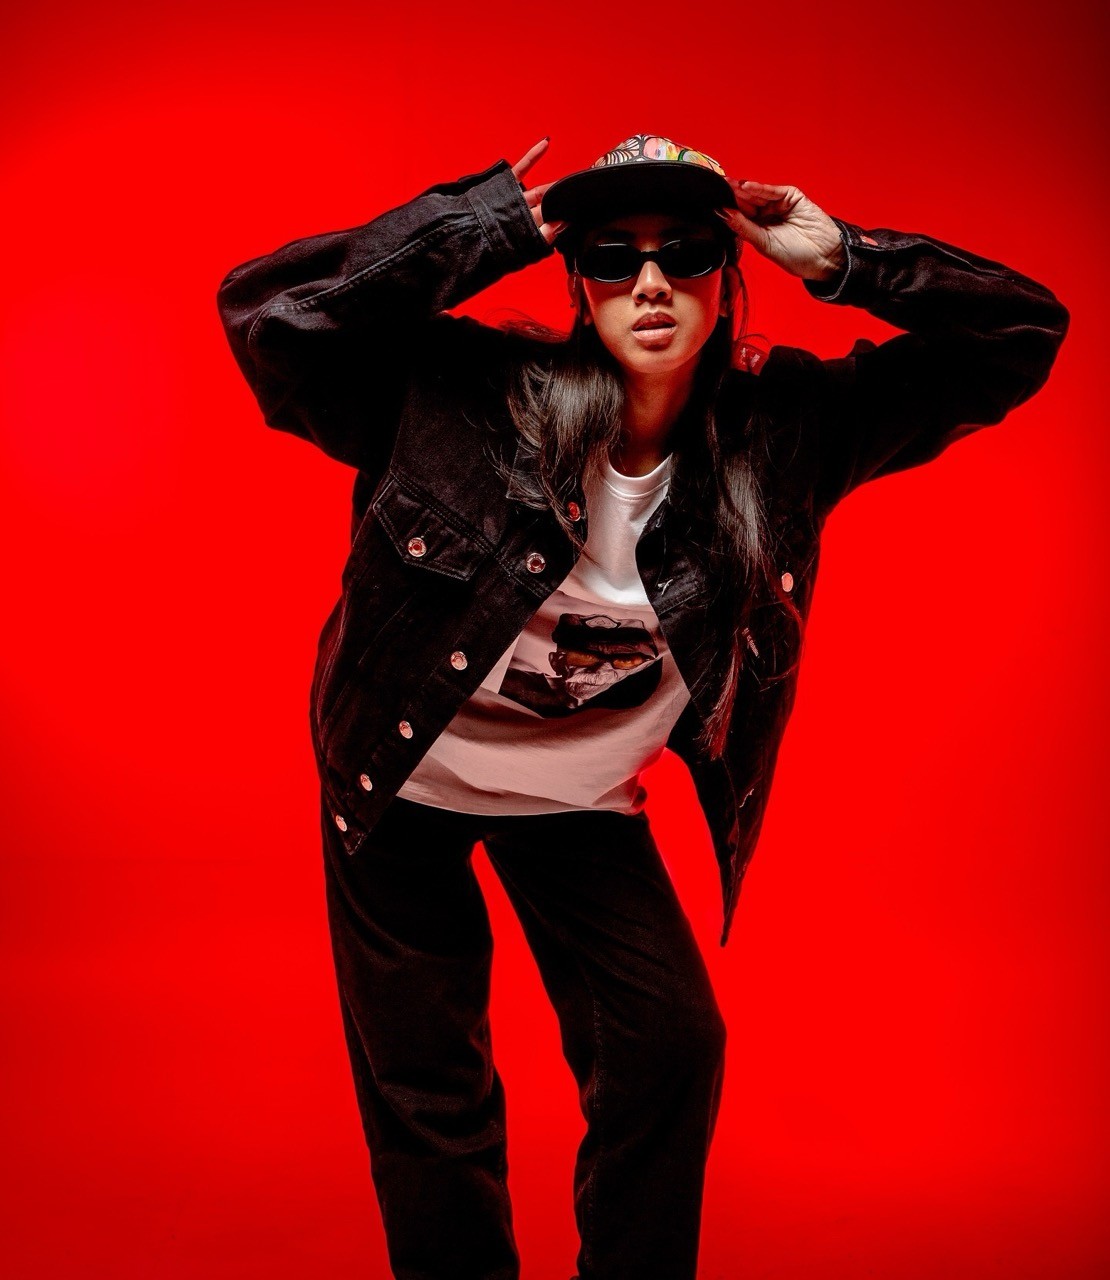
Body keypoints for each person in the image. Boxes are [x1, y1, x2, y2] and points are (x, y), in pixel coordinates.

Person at [215, 132, 1069, 1280]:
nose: (651, 282)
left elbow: (1020, 335)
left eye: (687, 252)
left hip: (577, 801)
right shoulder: (466, 396)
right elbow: (270, 320)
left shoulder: (784, 433)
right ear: (578, 280)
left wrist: (847, 259)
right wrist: (486, 227)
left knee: (670, 1047)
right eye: (614, 256)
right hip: (401, 779)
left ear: (729, 272)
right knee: (430, 1088)